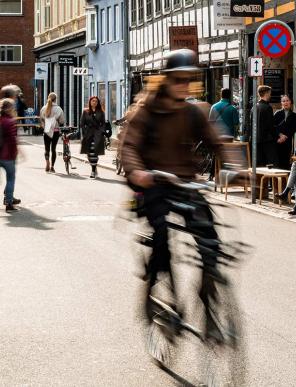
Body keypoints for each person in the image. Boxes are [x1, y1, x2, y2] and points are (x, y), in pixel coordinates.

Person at [121, 48, 223, 331]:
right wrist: (138, 172)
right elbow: (129, 146)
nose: (183, 85)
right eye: (178, 79)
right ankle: (157, 291)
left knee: (210, 237)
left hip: (185, 185)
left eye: (187, 79)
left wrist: (237, 169)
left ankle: (208, 290)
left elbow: (217, 142)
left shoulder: (193, 111)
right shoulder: (147, 111)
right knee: (162, 237)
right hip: (154, 185)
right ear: (166, 80)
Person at [0, 98, 21, 212]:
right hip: (7, 156)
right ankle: (8, 202)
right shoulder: (10, 121)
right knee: (10, 179)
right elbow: (13, 140)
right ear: (9, 109)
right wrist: (16, 153)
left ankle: (8, 197)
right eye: (13, 107)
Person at [252, 85, 279, 167]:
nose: (270, 95)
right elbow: (270, 125)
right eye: (270, 93)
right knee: (272, 163)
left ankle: (261, 180)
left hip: (256, 140)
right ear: (266, 93)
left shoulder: (254, 107)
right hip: (267, 140)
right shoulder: (267, 108)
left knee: (260, 164)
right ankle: (272, 180)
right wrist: (277, 137)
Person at [80, 96, 106, 178]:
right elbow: (82, 124)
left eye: (96, 101)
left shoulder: (101, 112)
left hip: (97, 134)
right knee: (89, 153)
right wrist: (84, 132)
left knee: (94, 151)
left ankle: (93, 171)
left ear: (98, 103)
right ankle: (93, 167)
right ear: (90, 102)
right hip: (88, 133)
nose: (94, 102)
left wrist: (101, 131)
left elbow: (103, 124)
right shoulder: (85, 111)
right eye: (93, 101)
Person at [40, 93, 65, 173]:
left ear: (48, 98)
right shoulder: (59, 109)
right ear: (56, 99)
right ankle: (52, 167)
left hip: (47, 130)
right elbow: (61, 121)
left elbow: (41, 120)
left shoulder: (43, 108)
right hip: (55, 131)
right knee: (53, 149)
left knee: (47, 149)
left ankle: (47, 162)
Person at [274, 95, 296, 169]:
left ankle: (285, 179)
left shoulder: (295, 116)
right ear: (281, 103)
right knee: (277, 161)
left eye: (287, 100)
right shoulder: (277, 113)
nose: (285, 102)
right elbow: (273, 126)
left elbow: (294, 128)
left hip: (287, 141)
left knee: (286, 161)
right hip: (278, 141)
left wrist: (285, 136)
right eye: (283, 101)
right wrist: (279, 135)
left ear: (290, 102)